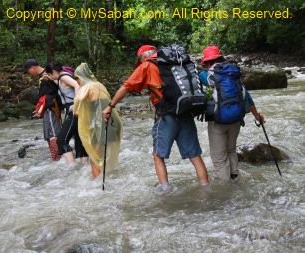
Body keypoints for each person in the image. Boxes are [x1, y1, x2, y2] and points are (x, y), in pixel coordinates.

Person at [102, 45, 209, 191]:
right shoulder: (176, 64)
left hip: (166, 116)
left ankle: (165, 190)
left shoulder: (147, 65)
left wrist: (110, 106)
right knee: (195, 155)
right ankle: (206, 187)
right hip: (185, 111)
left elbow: (126, 87)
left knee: (158, 155)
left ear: (143, 57)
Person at [199, 46, 265, 181]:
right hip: (236, 119)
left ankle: (225, 193)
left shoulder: (205, 75)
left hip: (217, 121)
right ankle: (234, 179)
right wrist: (257, 117)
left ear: (206, 62)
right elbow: (247, 97)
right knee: (231, 150)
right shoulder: (234, 74)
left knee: (219, 158)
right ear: (221, 58)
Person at [74, 63, 122, 177]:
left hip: (98, 126)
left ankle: (96, 183)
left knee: (95, 158)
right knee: (108, 157)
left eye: (77, 79)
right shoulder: (100, 85)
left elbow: (77, 106)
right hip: (112, 124)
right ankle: (111, 179)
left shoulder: (87, 87)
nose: (77, 82)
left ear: (80, 77)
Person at [45, 62, 88, 167]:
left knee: (61, 140)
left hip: (75, 111)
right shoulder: (61, 77)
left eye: (50, 74)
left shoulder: (63, 77)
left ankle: (72, 166)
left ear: (54, 72)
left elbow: (76, 85)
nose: (50, 77)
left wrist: (76, 102)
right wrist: (49, 78)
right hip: (80, 111)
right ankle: (84, 167)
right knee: (79, 140)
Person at [23, 58, 62, 161]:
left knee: (53, 134)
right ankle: (56, 158)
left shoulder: (48, 74)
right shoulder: (43, 76)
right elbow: (44, 96)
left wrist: (41, 109)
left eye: (28, 71)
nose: (29, 74)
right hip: (47, 108)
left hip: (52, 108)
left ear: (32, 68)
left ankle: (59, 158)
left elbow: (50, 94)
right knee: (49, 135)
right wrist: (39, 109)